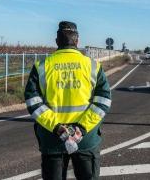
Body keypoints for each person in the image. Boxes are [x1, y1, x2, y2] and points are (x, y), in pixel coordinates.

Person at [24, 21, 111, 180]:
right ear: (77, 41)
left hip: (53, 139)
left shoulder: (42, 66)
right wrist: (82, 128)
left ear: (57, 41)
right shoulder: (92, 66)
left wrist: (57, 127)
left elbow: (33, 101)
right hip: (85, 139)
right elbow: (103, 100)